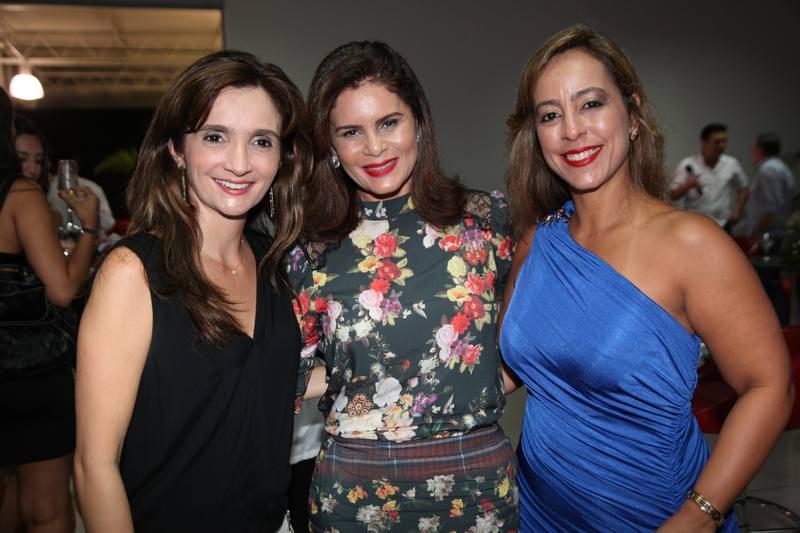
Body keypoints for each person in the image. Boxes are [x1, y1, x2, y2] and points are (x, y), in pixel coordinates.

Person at [502, 25, 793, 531]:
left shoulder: (692, 245)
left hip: (653, 515)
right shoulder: (538, 240)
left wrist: (698, 517)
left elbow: (769, 386)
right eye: (550, 115)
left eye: (591, 104)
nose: (572, 130)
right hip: (537, 511)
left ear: (632, 114)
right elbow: (506, 371)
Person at [73, 50, 313, 532]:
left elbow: (263, 378)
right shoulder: (134, 273)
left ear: (281, 157)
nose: (240, 163)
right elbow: (93, 467)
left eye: (261, 141)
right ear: (177, 150)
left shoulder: (275, 264)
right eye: (215, 137)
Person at [291, 41, 518, 532]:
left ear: (419, 122)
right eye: (351, 132)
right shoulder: (309, 249)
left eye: (389, 122)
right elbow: (287, 374)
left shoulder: (486, 221)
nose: (374, 147)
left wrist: (482, 382)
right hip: (354, 496)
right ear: (330, 146)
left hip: (476, 490)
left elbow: (538, 336)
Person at [0, 88, 99, 532]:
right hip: (28, 370)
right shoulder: (19, 195)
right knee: (47, 512)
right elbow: (63, 289)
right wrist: (89, 226)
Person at [13, 116, 116, 236]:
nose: (33, 169)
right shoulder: (28, 208)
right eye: (22, 159)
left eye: (39, 161)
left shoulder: (47, 209)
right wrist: (89, 225)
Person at [670, 123, 749, 230]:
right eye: (717, 142)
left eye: (724, 141)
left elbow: (744, 187)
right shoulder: (687, 164)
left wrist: (737, 211)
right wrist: (686, 185)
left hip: (723, 224)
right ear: (704, 142)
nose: (721, 146)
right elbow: (672, 195)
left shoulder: (731, 163)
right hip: (695, 224)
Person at [736, 132, 795, 239]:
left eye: (753, 149)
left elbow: (772, 207)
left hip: (768, 234)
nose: (751, 152)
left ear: (760, 150)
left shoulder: (768, 170)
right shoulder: (779, 166)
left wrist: (756, 232)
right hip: (772, 231)